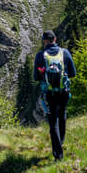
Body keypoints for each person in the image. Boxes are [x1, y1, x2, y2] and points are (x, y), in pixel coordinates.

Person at [33, 30, 76, 160]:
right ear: (55, 39)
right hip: (63, 91)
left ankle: (58, 153)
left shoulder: (40, 56)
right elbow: (73, 73)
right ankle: (61, 143)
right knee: (62, 114)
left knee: (52, 122)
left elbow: (36, 77)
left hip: (49, 92)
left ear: (44, 40)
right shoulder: (65, 53)